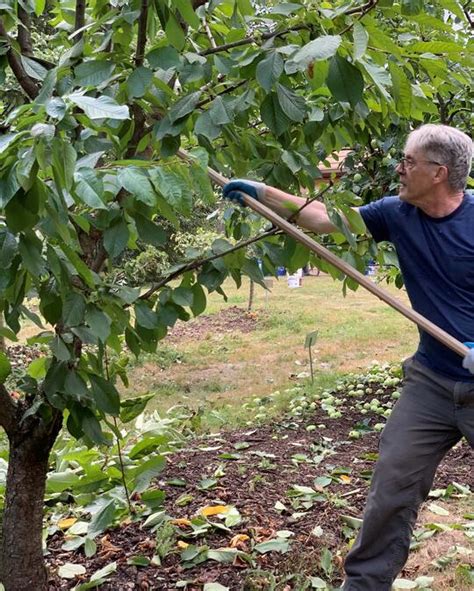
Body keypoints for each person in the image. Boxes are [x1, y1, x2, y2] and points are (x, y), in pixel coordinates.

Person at [223, 124, 474, 590]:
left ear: (439, 173)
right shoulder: (397, 213)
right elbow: (324, 218)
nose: (399, 169)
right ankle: (363, 586)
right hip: (433, 382)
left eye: (409, 162)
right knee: (391, 490)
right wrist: (261, 191)